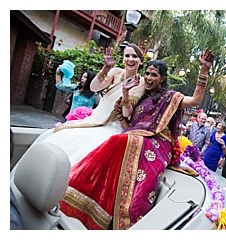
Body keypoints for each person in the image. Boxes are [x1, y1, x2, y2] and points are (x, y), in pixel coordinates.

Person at [59, 50, 215, 230]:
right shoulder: (142, 97)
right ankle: (85, 199)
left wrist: (203, 71)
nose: (148, 78)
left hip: (159, 141)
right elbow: (128, 124)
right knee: (118, 141)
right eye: (147, 74)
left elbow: (195, 100)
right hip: (135, 136)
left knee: (123, 141)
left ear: (162, 79)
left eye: (154, 75)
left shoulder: (170, 97)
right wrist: (125, 92)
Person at [31, 44, 147, 165]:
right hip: (95, 119)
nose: (130, 59)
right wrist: (105, 69)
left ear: (141, 61)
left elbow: (126, 113)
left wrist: (125, 93)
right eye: (127, 56)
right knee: (61, 136)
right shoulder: (115, 72)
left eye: (135, 56)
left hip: (113, 125)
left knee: (92, 145)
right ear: (123, 58)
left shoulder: (142, 82)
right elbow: (94, 87)